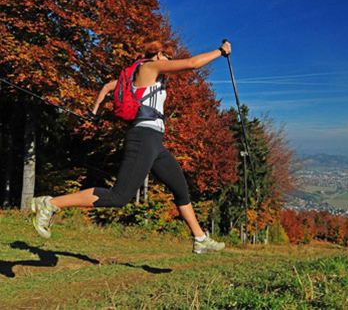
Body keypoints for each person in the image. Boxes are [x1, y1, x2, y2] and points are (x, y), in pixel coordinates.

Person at [31, 40, 232, 254]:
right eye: (167, 57)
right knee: (119, 197)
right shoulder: (149, 67)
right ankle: (52, 204)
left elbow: (109, 86)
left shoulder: (137, 75)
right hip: (143, 137)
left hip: (155, 142)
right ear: (157, 54)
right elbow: (192, 64)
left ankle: (200, 238)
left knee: (180, 189)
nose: (169, 62)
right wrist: (220, 52)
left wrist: (95, 110)